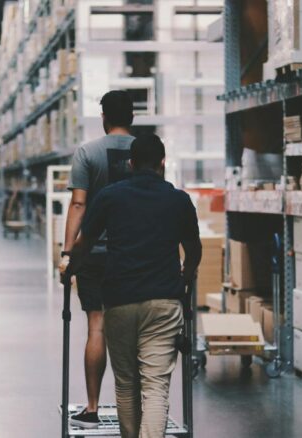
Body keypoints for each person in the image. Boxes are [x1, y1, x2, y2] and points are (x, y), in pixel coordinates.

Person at [67, 134, 202, 438]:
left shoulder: (110, 197)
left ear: (130, 163)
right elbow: (194, 251)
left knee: (126, 385)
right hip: (164, 304)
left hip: (120, 301)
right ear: (162, 163)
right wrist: (185, 276)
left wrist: (69, 270)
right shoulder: (179, 200)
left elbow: (84, 244)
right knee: (156, 387)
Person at [59, 90, 136, 429]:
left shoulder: (88, 152)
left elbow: (78, 204)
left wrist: (67, 253)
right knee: (133, 329)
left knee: (97, 326)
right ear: (132, 117)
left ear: (104, 116)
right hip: (133, 253)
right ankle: (131, 407)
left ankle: (92, 408)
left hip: (94, 254)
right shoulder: (145, 151)